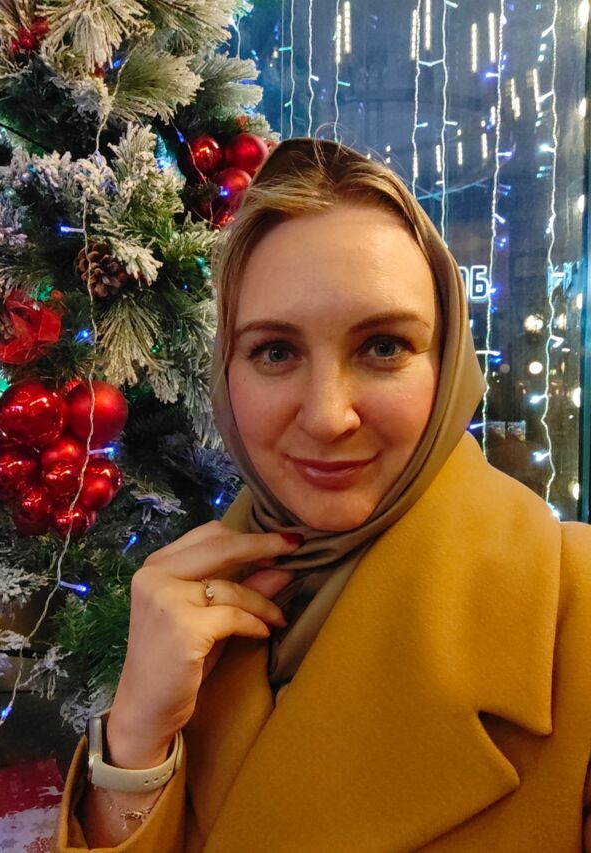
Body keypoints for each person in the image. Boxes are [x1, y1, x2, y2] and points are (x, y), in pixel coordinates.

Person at [54, 137, 591, 853]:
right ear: (227, 374)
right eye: (275, 351)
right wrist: (134, 743)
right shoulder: (192, 603)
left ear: (447, 364)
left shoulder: (577, 610)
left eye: (384, 346)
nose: (328, 416)